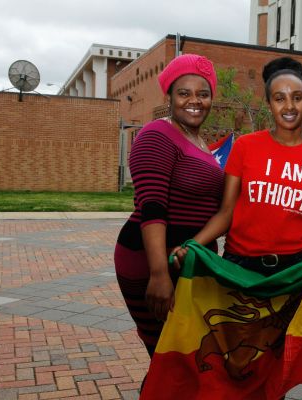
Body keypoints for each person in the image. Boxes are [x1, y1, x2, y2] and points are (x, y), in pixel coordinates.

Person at [173, 55, 302, 275]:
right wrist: (191, 245)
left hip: (297, 269)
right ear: (269, 103)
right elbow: (226, 212)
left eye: (297, 98)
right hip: (242, 264)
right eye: (279, 99)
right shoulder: (245, 146)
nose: (289, 106)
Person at [114, 54, 223, 358]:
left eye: (203, 93)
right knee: (167, 355)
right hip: (151, 259)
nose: (195, 101)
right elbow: (152, 206)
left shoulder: (199, 142)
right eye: (184, 93)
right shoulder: (157, 134)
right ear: (169, 97)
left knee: (184, 356)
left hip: (187, 260)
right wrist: (159, 273)